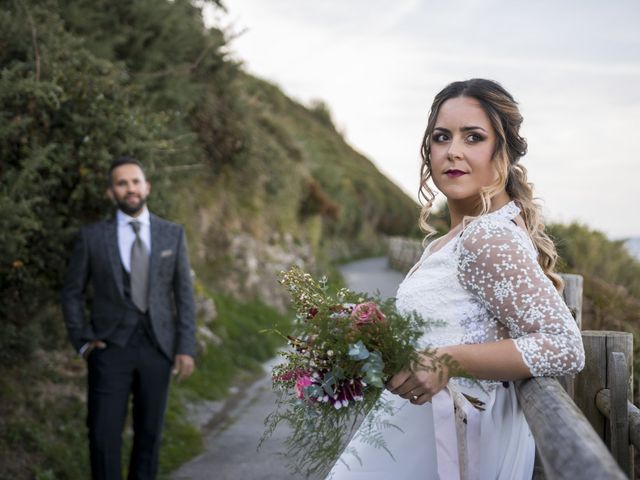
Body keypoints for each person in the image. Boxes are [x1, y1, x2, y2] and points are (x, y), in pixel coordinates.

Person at [326, 79, 585, 479]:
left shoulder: (487, 235)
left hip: (447, 441)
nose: (453, 151)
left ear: (503, 152)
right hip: (413, 432)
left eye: (474, 137)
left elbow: (564, 346)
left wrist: (448, 360)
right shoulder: (447, 240)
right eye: (441, 137)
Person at [61, 156, 197, 480]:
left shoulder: (172, 234)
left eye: (135, 181)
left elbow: (184, 295)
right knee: (102, 436)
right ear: (111, 192)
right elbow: (71, 293)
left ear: (146, 186)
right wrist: (83, 341)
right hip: (109, 349)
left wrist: (186, 347)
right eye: (122, 183)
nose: (130, 188)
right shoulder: (92, 237)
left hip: (158, 348)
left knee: (149, 436)